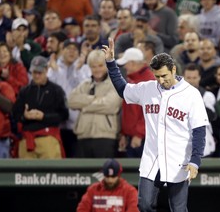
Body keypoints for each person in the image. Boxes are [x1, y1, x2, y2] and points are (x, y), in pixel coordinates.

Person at [102, 38, 208, 212]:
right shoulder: (148, 88)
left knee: (178, 209)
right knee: (143, 205)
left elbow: (199, 130)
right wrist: (111, 63)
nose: (160, 80)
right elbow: (123, 89)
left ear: (173, 70)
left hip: (178, 158)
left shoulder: (191, 94)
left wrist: (195, 160)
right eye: (157, 76)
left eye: (164, 76)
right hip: (152, 157)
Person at [12, 56, 69, 159]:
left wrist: (44, 117)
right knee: (25, 175)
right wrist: (24, 117)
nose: (37, 76)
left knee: (51, 174)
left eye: (40, 72)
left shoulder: (56, 90)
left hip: (48, 138)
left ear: (46, 70)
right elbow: (15, 114)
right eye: (34, 73)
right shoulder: (24, 91)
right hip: (27, 139)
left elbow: (64, 115)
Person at [68, 50, 122, 158]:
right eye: (93, 66)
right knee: (83, 174)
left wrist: (84, 106)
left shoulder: (115, 84)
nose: (97, 70)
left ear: (106, 65)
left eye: (100, 66)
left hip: (106, 136)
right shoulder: (85, 84)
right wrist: (96, 99)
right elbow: (71, 101)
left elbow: (111, 106)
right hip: (83, 136)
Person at [116, 48, 155, 158]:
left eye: (126, 64)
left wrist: (139, 134)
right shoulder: (133, 80)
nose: (124, 67)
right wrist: (124, 134)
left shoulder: (149, 81)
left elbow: (152, 111)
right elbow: (128, 110)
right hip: (132, 137)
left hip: (144, 139)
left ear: (132, 63)